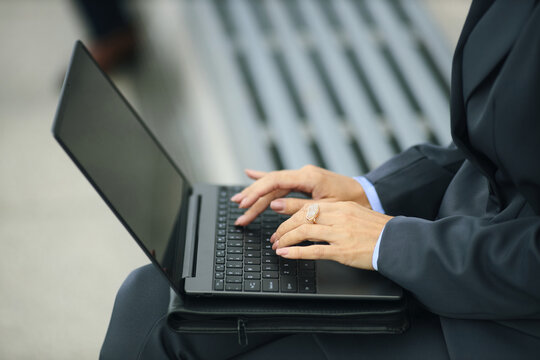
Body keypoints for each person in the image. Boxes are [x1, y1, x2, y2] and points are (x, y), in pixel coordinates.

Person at [100, 0, 540, 358]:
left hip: (502, 327)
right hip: (449, 248)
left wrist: (390, 242)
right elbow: (482, 153)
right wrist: (370, 192)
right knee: (150, 298)